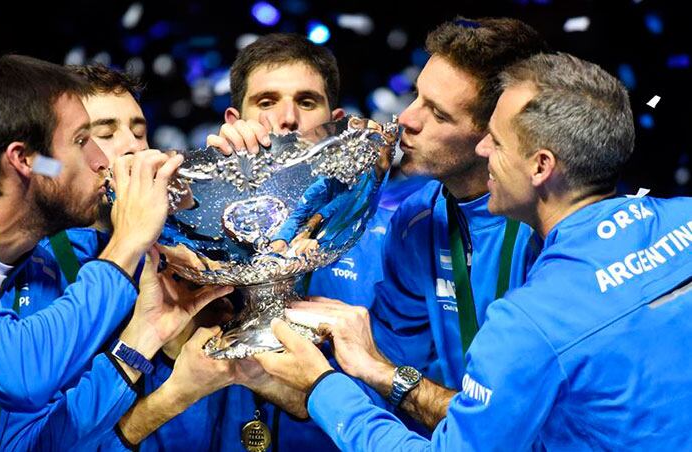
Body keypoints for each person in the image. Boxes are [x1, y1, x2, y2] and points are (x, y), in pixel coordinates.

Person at [256, 50, 692, 450]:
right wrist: (381, 371)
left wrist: (322, 387)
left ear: (541, 166)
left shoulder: (527, 321)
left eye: (497, 141)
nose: (484, 149)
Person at [0, 54, 186, 450]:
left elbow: (29, 444)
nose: (103, 161)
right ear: (26, 160)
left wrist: (143, 337)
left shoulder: (34, 265)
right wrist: (127, 242)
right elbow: (20, 373)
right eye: (83, 141)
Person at [268, 17, 549, 434]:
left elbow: (513, 423)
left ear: (493, 130)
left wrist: (370, 375)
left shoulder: (549, 227)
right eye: (417, 96)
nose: (405, 120)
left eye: (437, 113)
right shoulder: (416, 220)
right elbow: (391, 376)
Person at [110, 33, 357, 452]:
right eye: (265, 102)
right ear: (232, 121)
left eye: (307, 101)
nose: (287, 119)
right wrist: (199, 200)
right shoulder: (183, 235)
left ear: (335, 119)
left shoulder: (373, 236)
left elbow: (397, 415)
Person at [0, 64, 231, 450]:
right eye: (103, 134)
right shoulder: (27, 264)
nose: (133, 147)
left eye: (139, 131)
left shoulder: (173, 254)